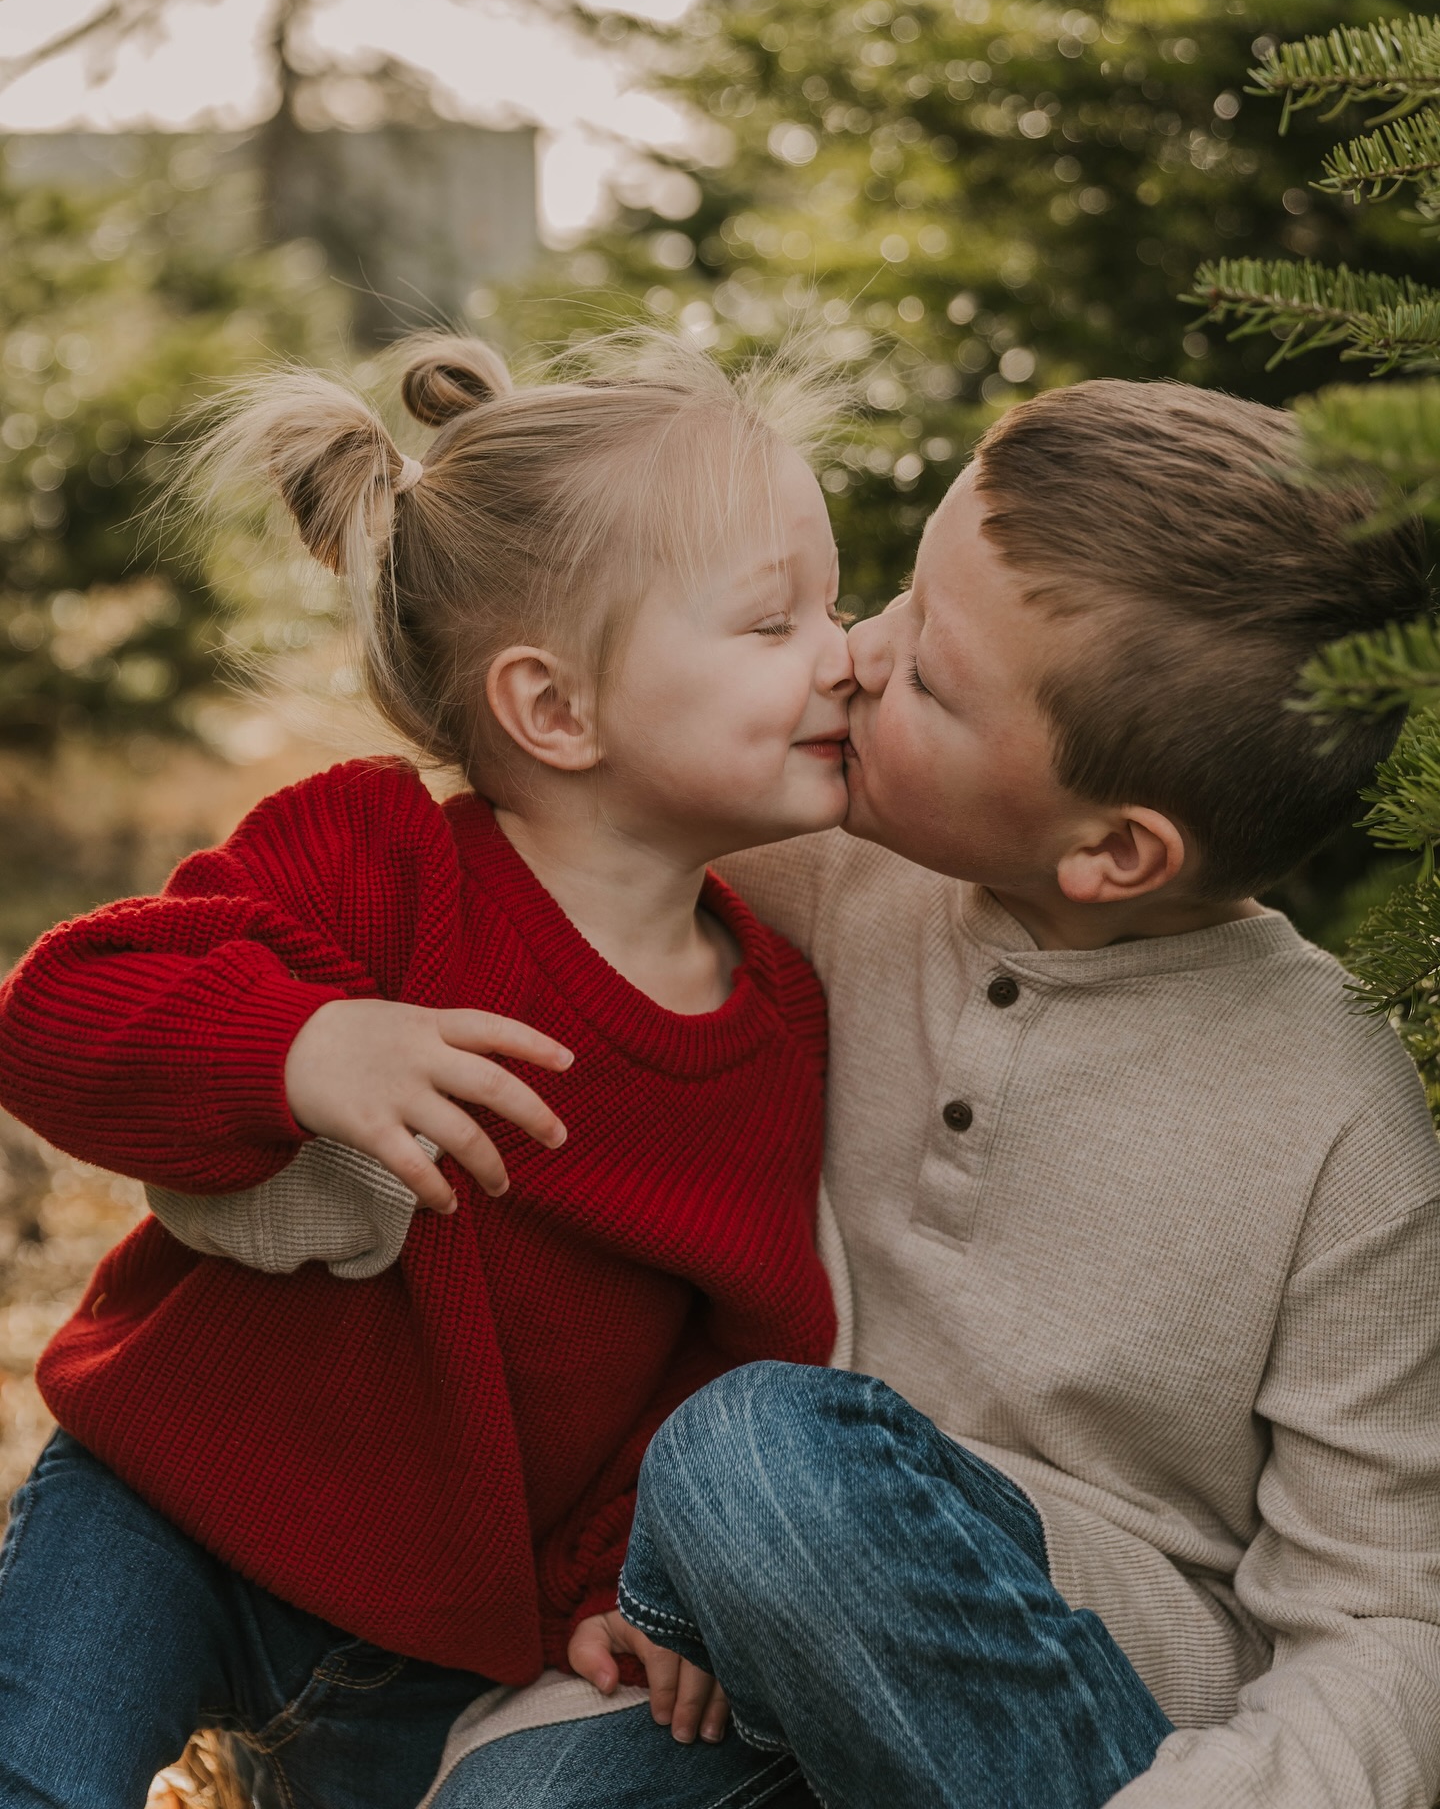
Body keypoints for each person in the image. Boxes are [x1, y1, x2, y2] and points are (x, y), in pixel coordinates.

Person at [197, 379, 1440, 1809]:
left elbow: (1388, 1621)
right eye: (893, 597)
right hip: (715, 1671)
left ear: (1116, 851)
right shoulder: (790, 870)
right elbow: (531, 820)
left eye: (928, 673)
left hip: (1085, 1721)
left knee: (756, 1452)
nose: (855, 655)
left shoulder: (1335, 1114)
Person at [0, 330, 859, 1809]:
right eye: (777, 624)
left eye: (836, 604)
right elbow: (58, 1009)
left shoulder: (769, 1024)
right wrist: (298, 1043)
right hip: (166, 1508)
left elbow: (741, 1348)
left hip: (440, 1642)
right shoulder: (378, 859)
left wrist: (626, 1583)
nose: (848, 651)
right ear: (556, 710)